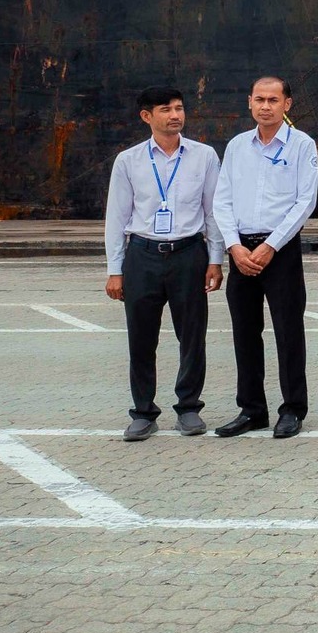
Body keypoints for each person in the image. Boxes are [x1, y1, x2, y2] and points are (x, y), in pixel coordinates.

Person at [105, 86, 225, 441]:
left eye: (179, 108)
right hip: (142, 255)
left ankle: (188, 408)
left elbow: (214, 211)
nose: (175, 115)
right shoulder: (128, 161)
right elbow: (116, 217)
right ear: (147, 116)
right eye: (166, 109)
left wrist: (215, 260)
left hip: (189, 253)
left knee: (192, 336)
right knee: (141, 338)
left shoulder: (204, 156)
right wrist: (115, 270)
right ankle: (143, 412)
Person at [211, 76, 318, 440]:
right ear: (250, 102)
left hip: (280, 250)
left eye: (273, 100)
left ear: (287, 104)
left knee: (289, 332)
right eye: (260, 99)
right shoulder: (237, 146)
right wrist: (233, 246)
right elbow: (222, 199)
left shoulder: (302, 145)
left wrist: (271, 245)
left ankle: (293, 409)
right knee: (244, 332)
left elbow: (305, 202)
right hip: (241, 251)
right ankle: (252, 409)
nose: (266, 106)